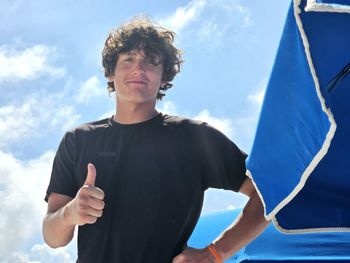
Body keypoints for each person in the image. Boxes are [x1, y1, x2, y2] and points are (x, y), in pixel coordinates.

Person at [42, 16, 269, 263]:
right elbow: (53, 237)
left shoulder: (194, 137)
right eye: (128, 59)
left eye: (151, 62)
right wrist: (71, 213)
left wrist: (217, 252)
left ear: (163, 77)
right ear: (110, 73)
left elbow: (267, 193)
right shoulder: (78, 141)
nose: (139, 69)